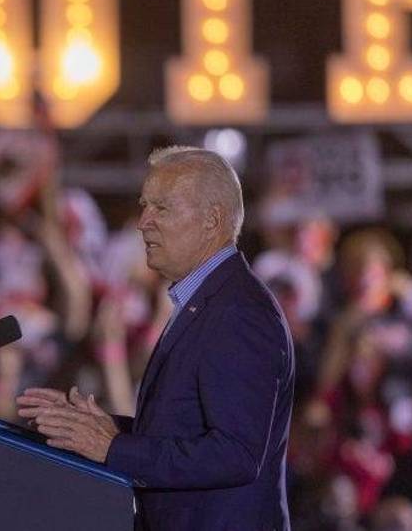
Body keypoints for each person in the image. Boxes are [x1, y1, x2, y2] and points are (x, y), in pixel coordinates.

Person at [17, 146, 295, 530]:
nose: (143, 222)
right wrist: (101, 428)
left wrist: (113, 448)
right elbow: (185, 432)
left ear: (212, 220)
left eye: (161, 208)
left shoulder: (238, 313)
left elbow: (236, 454)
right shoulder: (206, 301)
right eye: (144, 206)